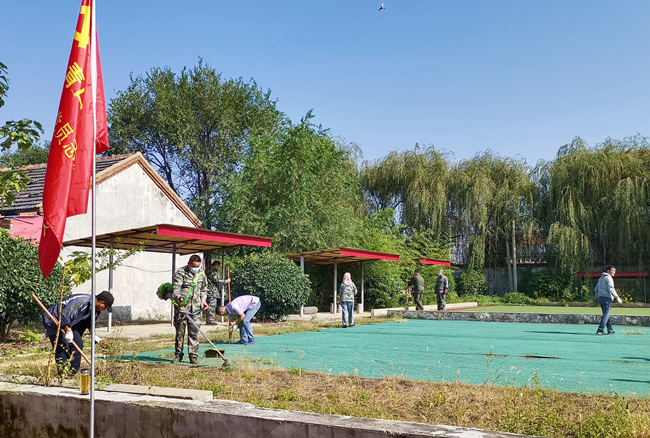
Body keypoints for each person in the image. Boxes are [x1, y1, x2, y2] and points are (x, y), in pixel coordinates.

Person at [42, 291, 114, 375]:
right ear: (101, 303)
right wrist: (68, 331)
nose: (104, 309)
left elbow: (90, 323)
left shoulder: (95, 309)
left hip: (70, 323)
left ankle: (71, 373)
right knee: (62, 346)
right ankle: (63, 374)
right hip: (54, 319)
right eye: (105, 307)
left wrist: (94, 335)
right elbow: (65, 315)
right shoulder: (82, 302)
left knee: (77, 344)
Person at [172, 254, 209, 364]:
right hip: (182, 308)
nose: (195, 268)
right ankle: (178, 355)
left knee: (194, 333)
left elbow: (204, 289)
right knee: (180, 333)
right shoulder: (180, 272)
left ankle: (193, 356)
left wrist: (203, 300)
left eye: (197, 266)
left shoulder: (201, 274)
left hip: (196, 309)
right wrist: (177, 297)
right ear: (188, 264)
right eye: (193, 266)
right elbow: (176, 288)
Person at [594, 265, 622, 335]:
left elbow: (596, 289)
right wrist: (617, 297)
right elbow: (611, 289)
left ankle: (610, 329)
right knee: (606, 314)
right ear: (608, 271)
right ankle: (600, 330)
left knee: (606, 314)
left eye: (614, 271)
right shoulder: (609, 278)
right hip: (606, 298)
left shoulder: (600, 278)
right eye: (612, 271)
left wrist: (597, 296)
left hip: (600, 298)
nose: (614, 272)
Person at [203, 260, 230, 325]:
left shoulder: (211, 271)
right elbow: (217, 280)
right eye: (218, 266)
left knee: (212, 306)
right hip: (212, 292)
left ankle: (210, 319)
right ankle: (209, 320)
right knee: (211, 306)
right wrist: (225, 281)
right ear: (215, 265)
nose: (218, 268)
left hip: (213, 291)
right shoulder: (211, 272)